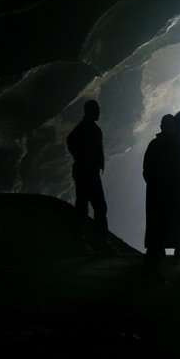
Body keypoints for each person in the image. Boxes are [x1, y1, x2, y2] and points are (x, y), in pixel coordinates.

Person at [66, 99, 110, 252]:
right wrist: (83, 158)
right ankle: (99, 242)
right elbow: (70, 141)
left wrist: (80, 158)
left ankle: (80, 240)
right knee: (98, 206)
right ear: (90, 111)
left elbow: (71, 141)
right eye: (97, 109)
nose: (99, 112)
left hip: (87, 171)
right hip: (88, 172)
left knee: (84, 205)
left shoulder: (88, 127)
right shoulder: (87, 128)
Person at [142, 114, 180, 271]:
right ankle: (178, 248)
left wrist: (153, 183)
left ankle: (156, 250)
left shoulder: (154, 144)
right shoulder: (178, 145)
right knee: (175, 220)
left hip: (156, 191)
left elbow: (146, 169)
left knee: (156, 221)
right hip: (172, 191)